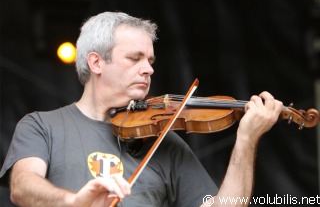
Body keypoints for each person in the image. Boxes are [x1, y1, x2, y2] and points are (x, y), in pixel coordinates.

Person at [0, 11, 283, 207]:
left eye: (150, 60)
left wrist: (247, 139)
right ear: (97, 62)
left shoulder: (163, 141)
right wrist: (74, 202)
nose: (148, 69)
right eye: (135, 58)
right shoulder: (41, 126)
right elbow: (23, 188)